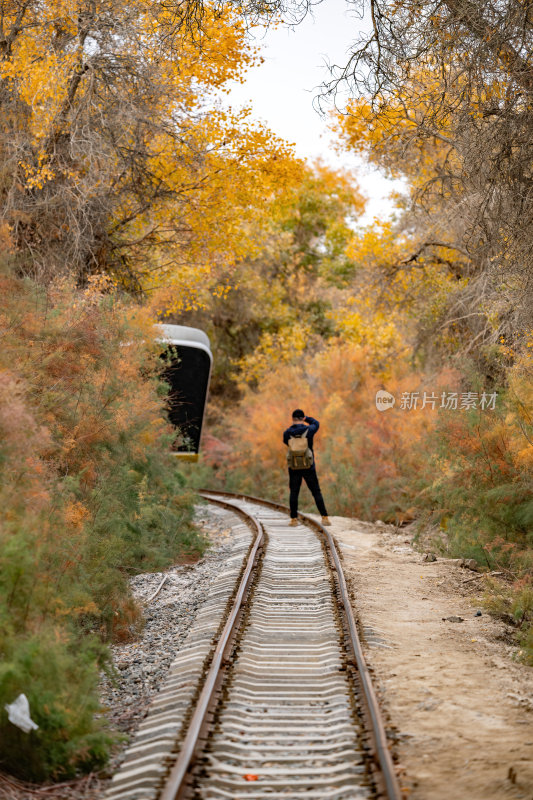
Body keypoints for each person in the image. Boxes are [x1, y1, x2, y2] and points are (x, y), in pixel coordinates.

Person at [283, 409, 331, 527]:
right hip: (309, 466)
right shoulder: (308, 430)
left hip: (294, 466)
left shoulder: (287, 433)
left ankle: (293, 520)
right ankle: (324, 518)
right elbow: (316, 423)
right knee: (316, 491)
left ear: (293, 418)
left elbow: (286, 443)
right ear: (302, 418)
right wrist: (307, 418)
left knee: (294, 492)